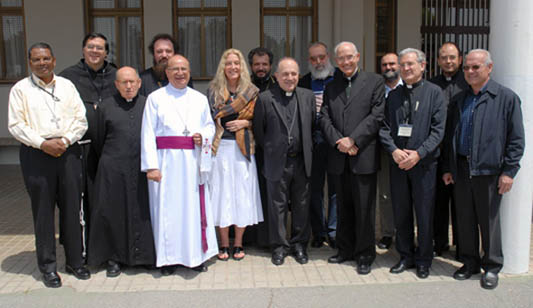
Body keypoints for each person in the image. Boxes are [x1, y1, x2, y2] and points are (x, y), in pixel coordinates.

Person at [8, 42, 89, 287]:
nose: (42, 63)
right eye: (36, 60)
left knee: (72, 209)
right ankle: (48, 266)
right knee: (43, 213)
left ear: (54, 60)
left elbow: (80, 119)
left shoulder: (67, 86)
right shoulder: (20, 90)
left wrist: (64, 140)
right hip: (37, 155)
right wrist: (43, 144)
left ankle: (75, 261)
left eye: (46, 59)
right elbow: (16, 125)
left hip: (68, 152)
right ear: (29, 63)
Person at [442, 49, 525, 290]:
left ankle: (491, 267)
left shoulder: (506, 98)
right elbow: (451, 137)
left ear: (489, 68)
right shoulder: (460, 99)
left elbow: (516, 139)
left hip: (489, 171)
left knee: (488, 222)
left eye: (475, 67)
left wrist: (509, 171)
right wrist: (448, 167)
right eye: (466, 67)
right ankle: (469, 263)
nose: (469, 72)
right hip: (461, 168)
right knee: (464, 219)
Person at [141, 55, 217, 275]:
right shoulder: (155, 98)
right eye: (175, 69)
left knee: (192, 210)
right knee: (167, 211)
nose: (180, 73)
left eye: (184, 69)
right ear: (167, 72)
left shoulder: (199, 98)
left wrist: (201, 135)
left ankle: (195, 256)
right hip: (165, 163)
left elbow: (210, 127)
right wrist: (151, 166)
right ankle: (168, 259)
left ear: (189, 71)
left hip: (192, 162)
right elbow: (147, 133)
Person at [379, 48, 447, 279]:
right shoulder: (394, 96)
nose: (406, 68)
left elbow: (438, 131)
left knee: (425, 213)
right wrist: (395, 151)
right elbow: (384, 128)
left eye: (410, 64)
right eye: (403, 64)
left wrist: (418, 154)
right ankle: (405, 256)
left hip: (424, 165)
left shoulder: (435, 93)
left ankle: (424, 259)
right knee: (402, 213)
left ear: (423, 66)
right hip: (399, 164)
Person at [320, 41, 384, 275]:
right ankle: (345, 249)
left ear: (358, 57)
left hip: (362, 155)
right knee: (343, 206)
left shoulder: (374, 82)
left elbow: (377, 116)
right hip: (340, 156)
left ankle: (365, 254)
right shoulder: (331, 86)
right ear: (336, 61)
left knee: (364, 208)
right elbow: (324, 117)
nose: (346, 62)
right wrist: (340, 141)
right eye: (341, 58)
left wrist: (354, 140)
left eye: (350, 57)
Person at [88, 67, 155, 277]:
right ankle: (114, 258)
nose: (128, 86)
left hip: (142, 168)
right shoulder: (106, 107)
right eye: (123, 83)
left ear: (139, 83)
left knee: (142, 211)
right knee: (114, 212)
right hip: (113, 169)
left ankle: (144, 256)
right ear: (116, 85)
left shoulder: (148, 105)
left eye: (132, 82)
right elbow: (98, 139)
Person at [59, 33, 118, 256]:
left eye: (100, 48)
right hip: (79, 148)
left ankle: (106, 249)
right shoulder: (67, 77)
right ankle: (79, 249)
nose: (95, 51)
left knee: (105, 199)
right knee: (80, 201)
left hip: (108, 148)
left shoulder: (115, 74)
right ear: (83, 50)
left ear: (106, 52)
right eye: (90, 47)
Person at [253, 57, 315, 266]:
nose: (290, 78)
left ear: (298, 76)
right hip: (276, 162)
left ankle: (299, 245)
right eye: (285, 74)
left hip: (301, 161)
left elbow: (313, 127)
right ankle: (278, 246)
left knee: (301, 205)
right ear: (276, 76)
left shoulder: (307, 97)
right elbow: (259, 132)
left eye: (294, 74)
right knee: (276, 207)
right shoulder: (265, 98)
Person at [207, 49, 263, 261]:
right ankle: (223, 244)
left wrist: (246, 122)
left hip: (244, 150)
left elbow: (260, 119)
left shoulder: (251, 91)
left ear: (242, 67)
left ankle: (238, 243)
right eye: (228, 63)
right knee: (221, 196)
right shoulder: (213, 91)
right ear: (223, 66)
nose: (232, 67)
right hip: (220, 149)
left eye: (236, 63)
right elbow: (209, 118)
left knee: (241, 195)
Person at [429, 42, 468, 257]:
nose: (448, 61)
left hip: (459, 153)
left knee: (461, 204)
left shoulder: (468, 83)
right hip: (436, 151)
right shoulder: (431, 85)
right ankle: (440, 243)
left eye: (452, 57)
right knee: (439, 202)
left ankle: (463, 248)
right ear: (438, 61)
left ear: (460, 59)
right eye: (444, 57)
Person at [298, 42, 338, 249]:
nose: (318, 62)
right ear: (309, 61)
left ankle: (334, 231)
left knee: (335, 189)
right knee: (314, 189)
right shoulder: (303, 82)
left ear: (328, 56)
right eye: (314, 59)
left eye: (321, 57)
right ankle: (319, 232)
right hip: (312, 141)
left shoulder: (339, 79)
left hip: (335, 142)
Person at [244, 46, 277, 248]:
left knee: (267, 193)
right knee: (248, 191)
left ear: (271, 66)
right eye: (257, 64)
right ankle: (249, 237)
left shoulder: (276, 86)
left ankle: (268, 239)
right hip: (247, 148)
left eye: (264, 64)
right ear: (251, 66)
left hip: (270, 148)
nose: (261, 68)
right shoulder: (244, 87)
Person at [376, 52, 402, 250]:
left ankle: (405, 233)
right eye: (384, 65)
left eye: (392, 64)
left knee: (407, 195)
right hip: (384, 150)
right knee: (385, 195)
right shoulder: (377, 90)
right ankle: (387, 233)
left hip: (408, 151)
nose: (389, 68)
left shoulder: (409, 88)